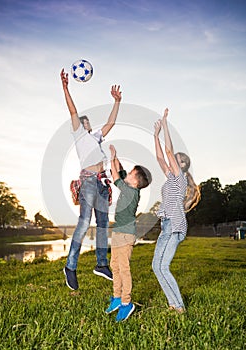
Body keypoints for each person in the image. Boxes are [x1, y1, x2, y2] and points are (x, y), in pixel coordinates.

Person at [60, 68, 122, 290]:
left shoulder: (95, 137)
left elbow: (110, 123)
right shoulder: (78, 135)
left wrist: (117, 102)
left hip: (102, 182)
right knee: (85, 221)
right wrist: (66, 87)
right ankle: (70, 266)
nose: (85, 122)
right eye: (82, 121)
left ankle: (101, 265)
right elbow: (73, 110)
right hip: (87, 181)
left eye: (86, 122)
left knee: (104, 223)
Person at [152, 108, 200, 313]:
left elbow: (168, 152)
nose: (172, 160)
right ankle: (173, 304)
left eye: (178, 160)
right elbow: (160, 157)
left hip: (175, 224)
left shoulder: (180, 178)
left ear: (182, 166)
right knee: (157, 266)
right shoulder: (171, 178)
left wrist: (165, 125)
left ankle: (178, 306)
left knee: (163, 267)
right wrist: (155, 136)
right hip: (167, 224)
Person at [105, 145, 152, 321]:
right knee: (114, 266)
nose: (128, 173)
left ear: (135, 182)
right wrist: (115, 157)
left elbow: (116, 176)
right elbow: (119, 170)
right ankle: (117, 297)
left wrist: (112, 158)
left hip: (126, 234)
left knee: (124, 268)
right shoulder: (130, 184)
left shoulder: (131, 191)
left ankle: (127, 302)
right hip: (118, 232)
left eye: (131, 173)